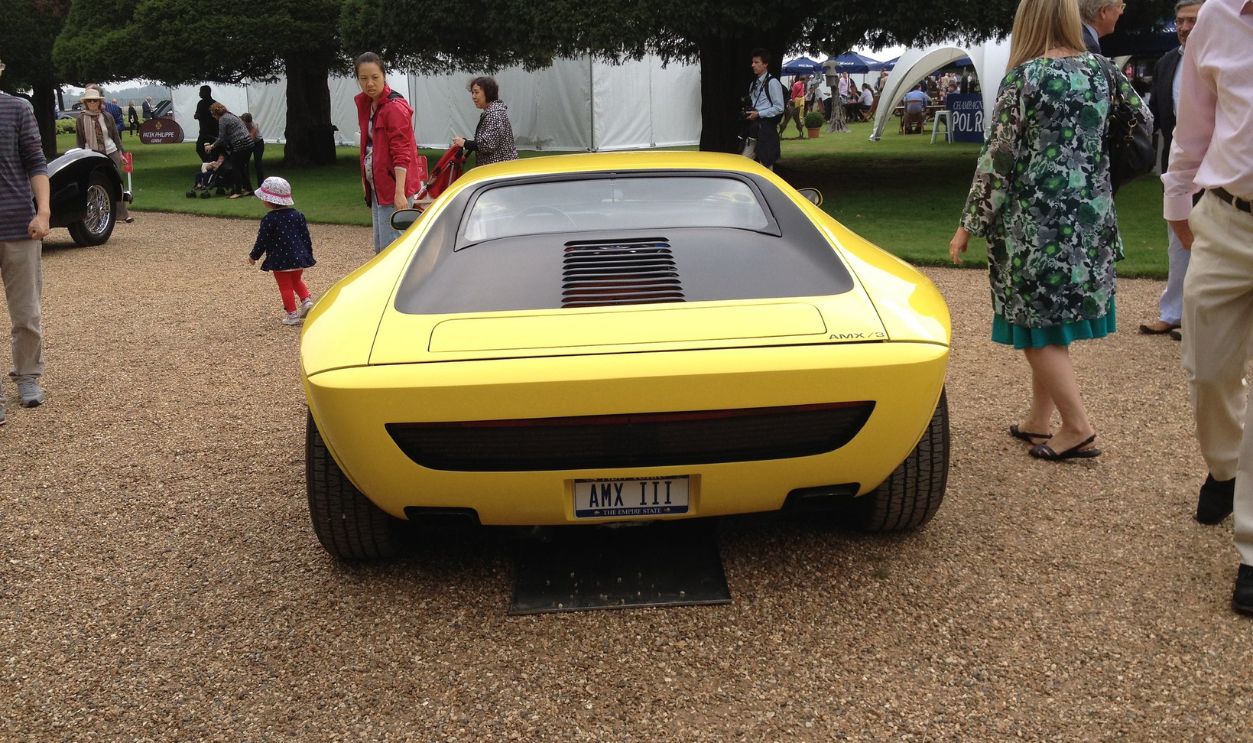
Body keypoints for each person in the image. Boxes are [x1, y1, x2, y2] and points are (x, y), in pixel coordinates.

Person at [948, 0, 1149, 462]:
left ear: (1029, 21)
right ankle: (1039, 419)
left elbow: (997, 159)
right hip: (1089, 220)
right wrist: (1097, 171)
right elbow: (1142, 121)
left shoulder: (1025, 78)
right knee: (1049, 323)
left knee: (1030, 322)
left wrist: (968, 225)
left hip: (1035, 226)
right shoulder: (1102, 71)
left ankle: (1077, 427)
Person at [1161, 0, 1253, 616]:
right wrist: (1177, 202)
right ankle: (1225, 469)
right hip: (1225, 218)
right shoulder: (1217, 18)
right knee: (1207, 370)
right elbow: (1193, 125)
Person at [1139, 0, 1205, 338]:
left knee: (1215, 241)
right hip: (1178, 164)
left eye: (1192, 20)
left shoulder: (1224, 59)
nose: (1184, 27)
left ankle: (1201, 319)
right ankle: (1174, 312)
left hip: (1218, 167)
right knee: (1177, 239)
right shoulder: (1167, 63)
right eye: (1180, 21)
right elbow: (1156, 115)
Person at [0, 58, 50, 422]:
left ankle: (28, 376)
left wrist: (43, 212)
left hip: (19, 223)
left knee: (27, 312)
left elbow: (36, 161)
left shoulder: (18, 108)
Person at [354, 51, 423, 254]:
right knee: (381, 246)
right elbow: (368, 147)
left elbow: (402, 152)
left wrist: (400, 192)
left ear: (384, 76)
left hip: (393, 188)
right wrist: (366, 180)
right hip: (378, 185)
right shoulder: (368, 104)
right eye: (363, 78)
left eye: (375, 77)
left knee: (393, 249)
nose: (369, 83)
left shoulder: (394, 108)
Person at [248, 177, 316, 326]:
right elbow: (305, 236)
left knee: (285, 286)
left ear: (269, 200)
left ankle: (292, 315)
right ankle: (306, 301)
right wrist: (308, 254)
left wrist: (254, 256)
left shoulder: (269, 219)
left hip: (280, 260)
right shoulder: (298, 215)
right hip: (299, 258)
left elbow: (262, 240)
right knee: (296, 280)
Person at [74, 89, 132, 223]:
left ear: (99, 102)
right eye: (89, 101)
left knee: (116, 182)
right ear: (85, 103)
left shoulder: (107, 116)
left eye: (95, 100)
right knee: (94, 183)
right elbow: (80, 139)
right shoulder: (81, 119)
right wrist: (79, 156)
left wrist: (121, 153)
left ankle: (122, 214)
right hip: (91, 154)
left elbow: (115, 136)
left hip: (111, 151)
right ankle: (96, 214)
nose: (92, 103)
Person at [451, 76, 518, 166]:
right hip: (498, 168)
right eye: (472, 93)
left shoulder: (494, 114)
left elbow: (487, 145)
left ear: (488, 93)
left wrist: (465, 143)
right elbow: (485, 141)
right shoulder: (493, 112)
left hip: (499, 169)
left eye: (476, 92)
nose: (473, 96)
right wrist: (465, 142)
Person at [745, 48, 785, 170]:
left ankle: (768, 183)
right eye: (752, 62)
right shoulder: (753, 84)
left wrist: (759, 114)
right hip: (754, 128)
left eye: (756, 62)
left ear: (765, 64)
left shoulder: (773, 83)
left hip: (767, 129)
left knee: (766, 164)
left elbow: (779, 108)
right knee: (744, 162)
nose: (753, 65)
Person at [204, 103, 254, 198]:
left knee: (236, 168)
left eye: (212, 114)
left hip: (240, 145)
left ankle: (238, 192)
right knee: (242, 167)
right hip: (249, 144)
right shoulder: (230, 115)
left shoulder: (223, 119)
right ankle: (248, 189)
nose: (213, 116)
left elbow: (222, 137)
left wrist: (212, 146)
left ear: (216, 113)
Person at [193, 85, 219, 163]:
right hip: (203, 131)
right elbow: (197, 114)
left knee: (213, 149)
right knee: (199, 148)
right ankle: (207, 162)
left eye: (201, 91)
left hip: (213, 131)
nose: (199, 93)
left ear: (206, 92)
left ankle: (212, 163)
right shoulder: (200, 103)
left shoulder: (214, 104)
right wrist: (197, 116)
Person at [239, 112, 265, 186]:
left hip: (258, 143)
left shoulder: (254, 125)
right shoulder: (240, 122)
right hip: (247, 142)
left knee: (258, 163)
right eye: (245, 124)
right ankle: (246, 185)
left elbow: (251, 139)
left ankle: (261, 185)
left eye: (248, 124)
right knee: (245, 163)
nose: (246, 125)